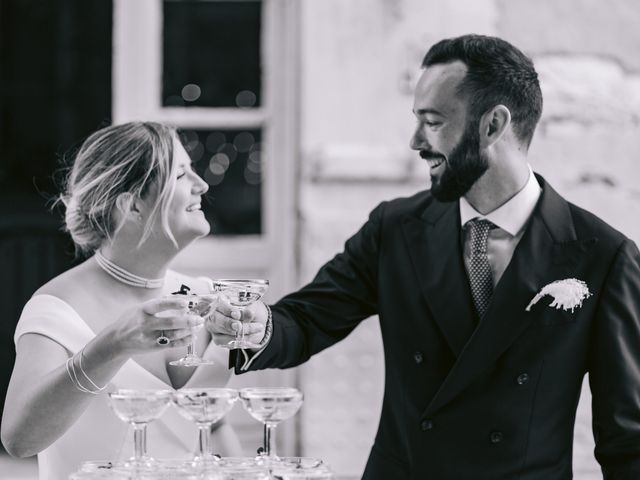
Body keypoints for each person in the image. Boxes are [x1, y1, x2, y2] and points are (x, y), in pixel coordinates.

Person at [208, 35, 640, 479]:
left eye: (433, 122)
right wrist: (257, 328)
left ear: (492, 126)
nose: (416, 141)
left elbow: (628, 441)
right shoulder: (394, 229)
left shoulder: (602, 256)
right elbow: (305, 321)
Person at [1, 122, 250, 479]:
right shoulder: (56, 308)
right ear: (132, 205)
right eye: (181, 175)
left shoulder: (202, 295)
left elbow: (214, 428)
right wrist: (113, 344)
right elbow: (19, 440)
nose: (203, 185)